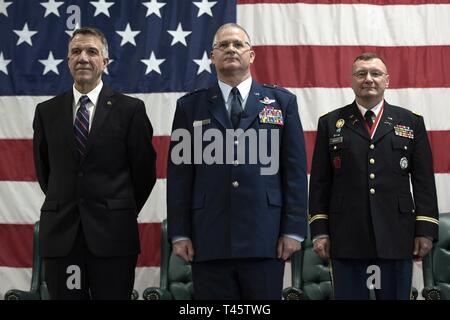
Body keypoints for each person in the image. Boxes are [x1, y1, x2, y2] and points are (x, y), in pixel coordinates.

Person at [166, 23, 308, 300]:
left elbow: (294, 172)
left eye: (238, 44)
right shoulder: (190, 107)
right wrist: (180, 233)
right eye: (223, 45)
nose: (231, 49)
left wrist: (293, 229)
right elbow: (180, 176)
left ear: (251, 55)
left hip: (264, 236)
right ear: (212, 55)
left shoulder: (281, 103)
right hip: (209, 238)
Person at [32, 27, 157, 299]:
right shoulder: (46, 111)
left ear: (105, 62)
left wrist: (117, 208)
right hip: (62, 237)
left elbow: (144, 173)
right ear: (67, 61)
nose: (83, 58)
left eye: (92, 51)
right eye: (75, 52)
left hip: (113, 236)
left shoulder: (130, 109)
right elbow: (46, 173)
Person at [309, 52, 439, 300]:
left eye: (375, 73)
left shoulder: (410, 122)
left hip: (396, 236)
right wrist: (320, 230)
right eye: (361, 74)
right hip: (346, 236)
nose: (368, 79)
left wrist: (425, 230)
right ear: (351, 81)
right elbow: (319, 183)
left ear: (387, 81)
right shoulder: (330, 123)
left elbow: (423, 182)